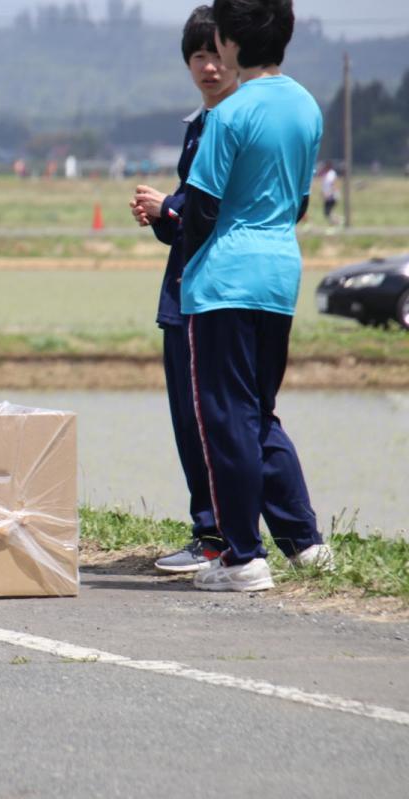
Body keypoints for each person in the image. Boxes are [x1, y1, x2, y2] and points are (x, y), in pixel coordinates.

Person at [180, 0, 333, 592]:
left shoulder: (228, 114)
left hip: (224, 280)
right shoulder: (307, 107)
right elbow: (298, 202)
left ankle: (242, 556)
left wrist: (180, 236)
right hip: (279, 274)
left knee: (226, 419)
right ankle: (305, 545)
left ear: (229, 40)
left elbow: (201, 208)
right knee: (259, 412)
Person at [129, 6, 236, 575]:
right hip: (187, 290)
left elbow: (208, 212)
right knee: (197, 416)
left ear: (239, 55)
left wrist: (169, 207)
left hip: (206, 293)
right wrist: (163, 213)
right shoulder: (199, 123)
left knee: (209, 417)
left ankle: (218, 534)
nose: (209, 66)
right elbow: (187, 220)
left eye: (218, 54)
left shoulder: (226, 124)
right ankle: (225, 531)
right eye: (199, 56)